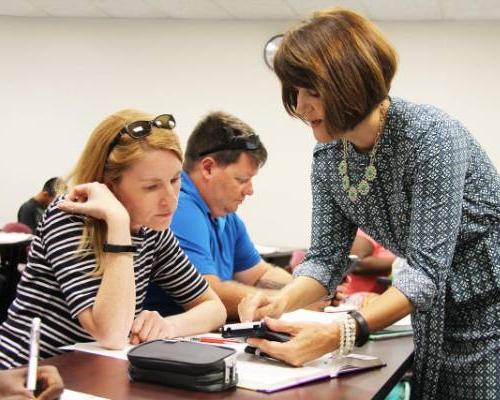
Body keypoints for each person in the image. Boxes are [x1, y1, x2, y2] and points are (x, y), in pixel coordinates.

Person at [238, 7, 500, 400]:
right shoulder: (329, 158)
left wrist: (342, 331)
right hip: (430, 310)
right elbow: (326, 259)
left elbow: (426, 272)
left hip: (488, 308)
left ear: (351, 85)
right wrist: (282, 300)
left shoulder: (431, 138)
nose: (300, 107)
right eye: (294, 92)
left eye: (312, 91)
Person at [0, 109, 226, 369]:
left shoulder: (151, 228)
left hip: (91, 373)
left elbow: (213, 307)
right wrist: (118, 223)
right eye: (151, 186)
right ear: (109, 184)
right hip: (25, 374)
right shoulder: (70, 216)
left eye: (175, 180)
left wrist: (167, 326)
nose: (171, 199)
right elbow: (110, 333)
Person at [145, 111, 296, 320]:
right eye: (242, 179)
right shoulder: (178, 208)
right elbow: (208, 293)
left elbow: (260, 274)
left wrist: (309, 290)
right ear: (208, 168)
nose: (250, 190)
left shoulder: (225, 216)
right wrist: (290, 302)